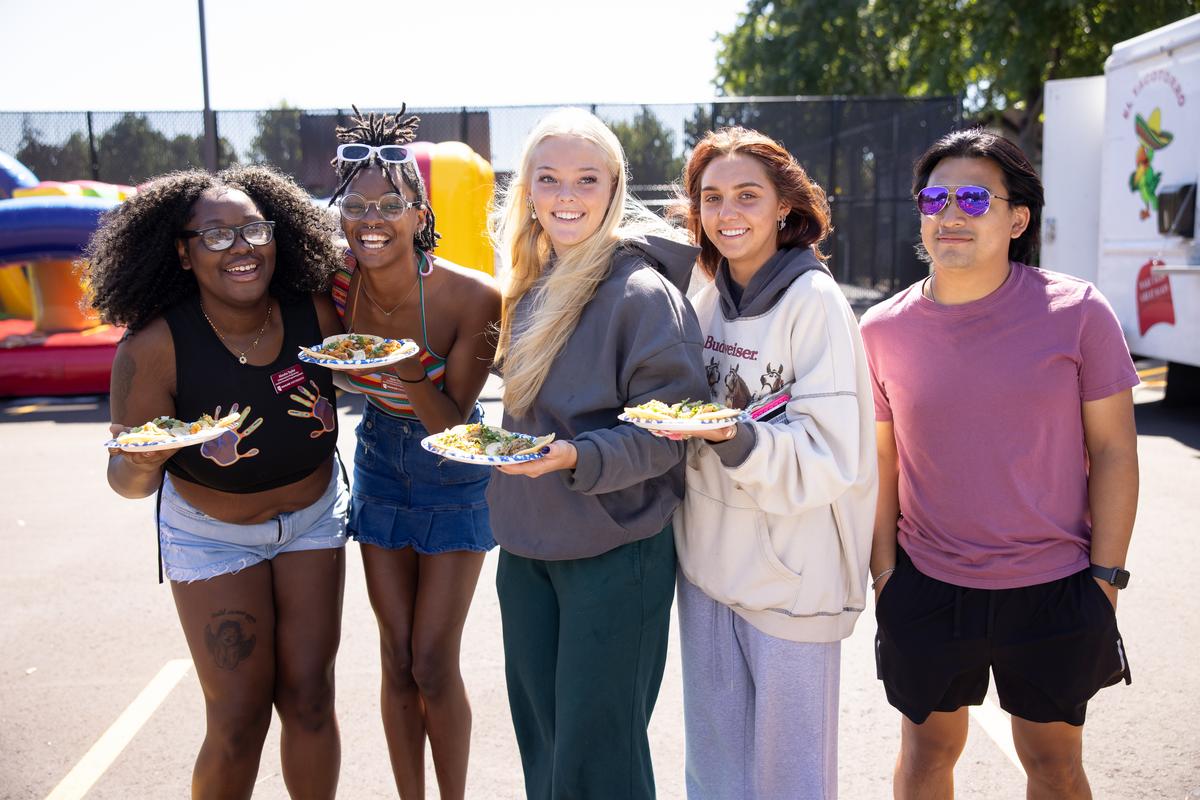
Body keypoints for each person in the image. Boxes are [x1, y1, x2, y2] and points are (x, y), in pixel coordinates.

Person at [861, 129, 1139, 799]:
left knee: (1053, 763)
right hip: (927, 584)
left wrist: (1104, 579)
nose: (950, 213)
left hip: (1057, 586)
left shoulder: (1077, 312)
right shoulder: (879, 330)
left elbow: (1113, 451)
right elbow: (882, 464)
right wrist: (885, 576)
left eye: (973, 197)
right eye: (934, 197)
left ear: (1018, 219)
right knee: (926, 754)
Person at [86, 165, 348, 799]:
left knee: (311, 699)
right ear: (182, 252)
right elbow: (126, 480)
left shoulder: (315, 311)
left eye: (255, 229)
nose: (243, 247)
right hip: (213, 537)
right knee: (237, 720)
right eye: (217, 236)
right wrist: (149, 457)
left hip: (313, 519)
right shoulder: (152, 347)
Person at [487, 107, 710, 800]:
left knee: (599, 760)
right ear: (527, 190)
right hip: (526, 551)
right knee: (548, 750)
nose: (566, 195)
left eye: (586, 179)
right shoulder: (528, 285)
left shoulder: (642, 293)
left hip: (615, 555)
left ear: (614, 188)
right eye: (548, 178)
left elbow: (669, 430)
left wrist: (573, 457)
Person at [668, 127, 877, 799]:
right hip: (706, 574)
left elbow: (832, 458)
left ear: (786, 207)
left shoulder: (814, 304)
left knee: (791, 783)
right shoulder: (702, 300)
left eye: (747, 196)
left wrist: (736, 438)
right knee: (717, 779)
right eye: (712, 197)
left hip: (792, 584)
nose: (728, 214)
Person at [326, 106, 500, 800]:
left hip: (453, 461)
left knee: (432, 661)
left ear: (417, 211)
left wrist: (403, 369)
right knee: (394, 658)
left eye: (389, 205)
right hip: (377, 457)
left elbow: (451, 418)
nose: (373, 219)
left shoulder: (474, 296)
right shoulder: (336, 284)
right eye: (357, 206)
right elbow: (321, 361)